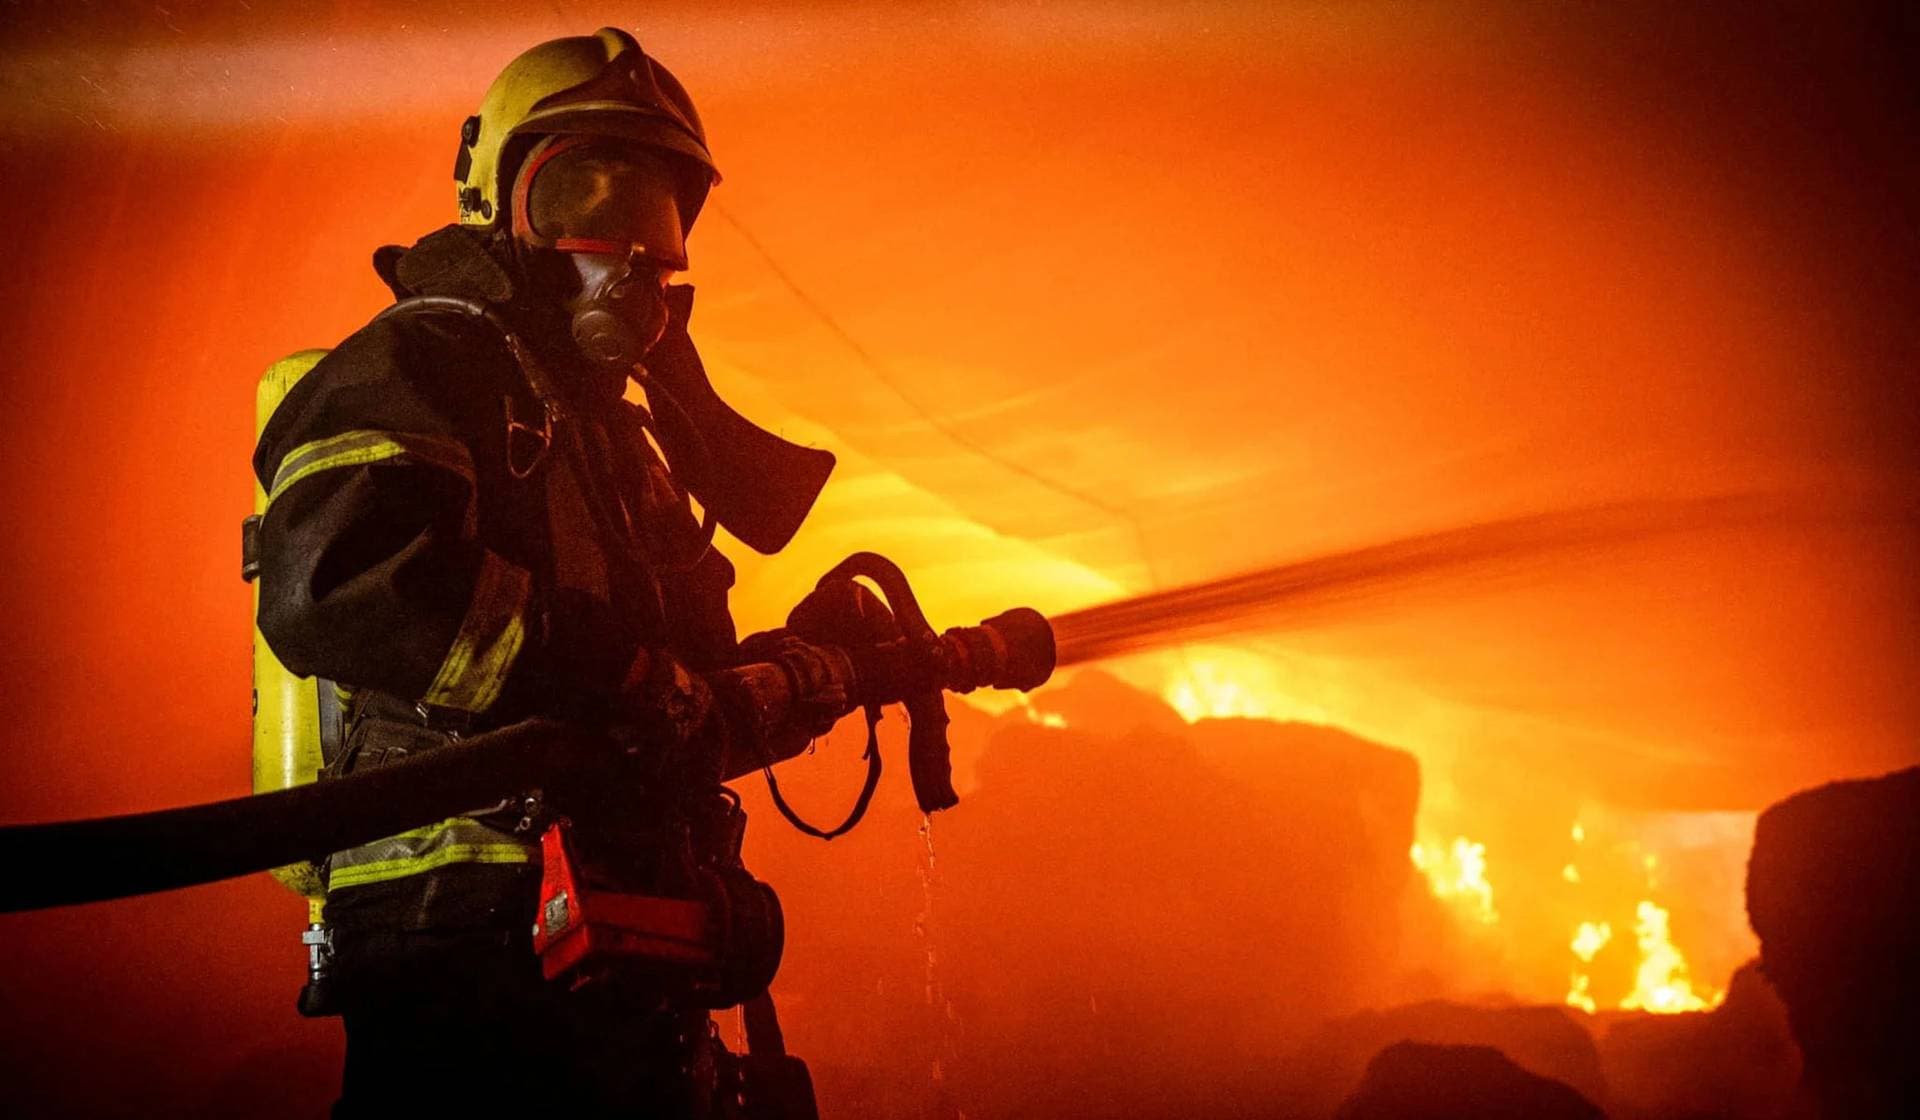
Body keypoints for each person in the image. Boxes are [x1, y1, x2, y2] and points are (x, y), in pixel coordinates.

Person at [252, 28, 859, 1117]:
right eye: (585, 192)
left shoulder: (613, 440)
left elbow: (677, 701)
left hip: (621, 946)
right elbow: (336, 579)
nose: (626, 247)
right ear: (502, 200)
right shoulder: (421, 363)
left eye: (656, 210)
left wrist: (808, 668)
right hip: (461, 953)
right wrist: (618, 670)